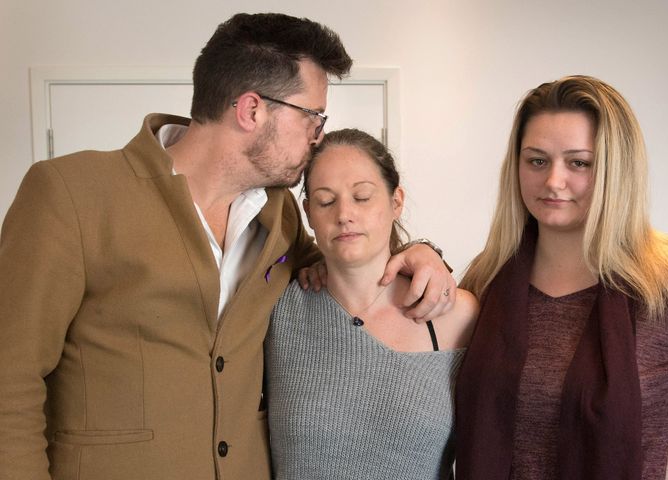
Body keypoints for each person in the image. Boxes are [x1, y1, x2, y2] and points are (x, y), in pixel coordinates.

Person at [0, 13, 456, 480]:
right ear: (252, 111)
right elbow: (9, 382)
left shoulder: (279, 215)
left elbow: (343, 258)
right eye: (312, 118)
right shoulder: (71, 194)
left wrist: (420, 254)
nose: (316, 136)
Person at [454, 75, 668, 480]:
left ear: (617, 170)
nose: (553, 182)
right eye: (536, 160)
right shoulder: (488, 276)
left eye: (579, 163)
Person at [264, 128, 479, 480]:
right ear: (308, 213)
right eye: (325, 200)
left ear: (396, 202)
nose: (344, 214)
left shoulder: (456, 314)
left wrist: (425, 251)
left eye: (362, 197)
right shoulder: (277, 310)